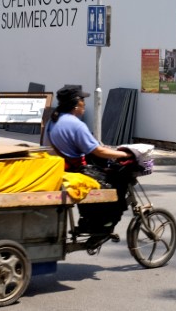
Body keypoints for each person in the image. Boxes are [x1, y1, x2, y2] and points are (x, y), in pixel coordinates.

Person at [44, 86, 130, 241]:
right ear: (77, 104)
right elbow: (99, 151)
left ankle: (88, 221)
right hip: (74, 172)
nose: (85, 103)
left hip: (61, 169)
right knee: (119, 182)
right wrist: (125, 154)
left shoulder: (53, 121)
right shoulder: (76, 125)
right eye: (83, 100)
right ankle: (103, 226)